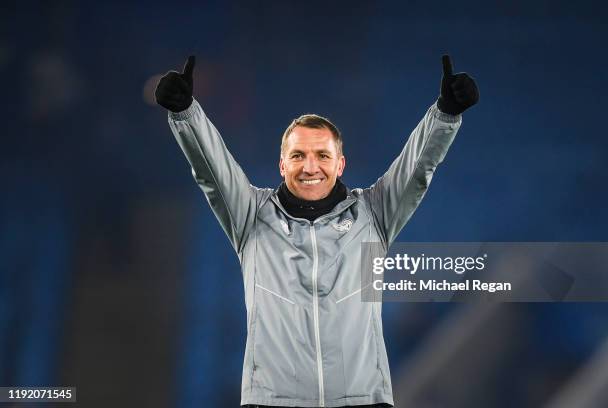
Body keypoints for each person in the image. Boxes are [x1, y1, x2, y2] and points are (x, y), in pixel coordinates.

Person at [155, 54, 478, 408]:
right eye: (298, 155)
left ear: (340, 164)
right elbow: (210, 169)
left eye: (322, 156)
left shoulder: (373, 213)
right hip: (272, 402)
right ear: (282, 164)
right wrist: (186, 113)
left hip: (362, 401)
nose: (311, 166)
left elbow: (418, 168)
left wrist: (445, 114)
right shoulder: (251, 215)